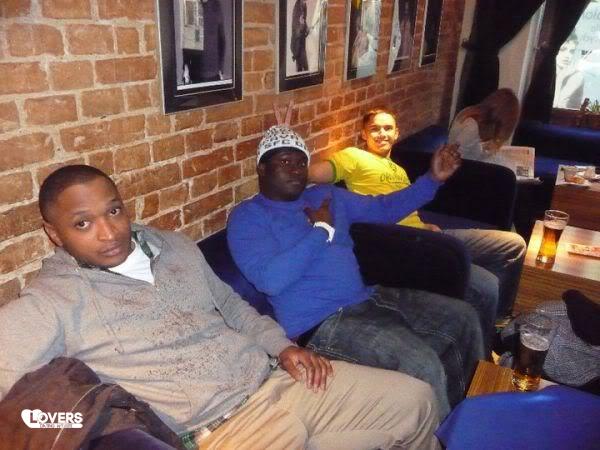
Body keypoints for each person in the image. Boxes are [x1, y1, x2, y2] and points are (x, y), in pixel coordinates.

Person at [0, 165, 443, 449]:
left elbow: (230, 303)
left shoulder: (173, 246)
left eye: (113, 211)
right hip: (223, 432)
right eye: (83, 223)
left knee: (417, 400)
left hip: (276, 381)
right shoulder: (54, 300)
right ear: (54, 233)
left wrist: (282, 346)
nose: (108, 232)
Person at [228, 125, 486, 418]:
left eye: (301, 162)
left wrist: (432, 179)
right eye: (285, 161)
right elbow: (271, 281)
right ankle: (447, 436)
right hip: (320, 325)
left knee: (464, 317)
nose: (296, 169)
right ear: (262, 168)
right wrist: (321, 230)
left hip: (369, 298)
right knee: (420, 362)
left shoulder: (326, 195)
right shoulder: (247, 217)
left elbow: (383, 208)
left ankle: (476, 419)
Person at [309, 108, 526, 347]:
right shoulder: (353, 156)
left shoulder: (398, 169)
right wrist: (290, 164)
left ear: (396, 133)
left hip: (425, 231)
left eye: (387, 128)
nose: (382, 134)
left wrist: (424, 224)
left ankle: (501, 324)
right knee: (487, 286)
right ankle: (488, 350)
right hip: (404, 241)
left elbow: (410, 204)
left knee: (513, 244)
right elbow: (315, 173)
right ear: (364, 135)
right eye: (374, 129)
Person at [554, 34, 584, 110]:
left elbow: (557, 105)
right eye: (563, 49)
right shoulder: (545, 71)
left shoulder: (576, 76)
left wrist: (560, 78)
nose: (567, 55)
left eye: (571, 51)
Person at [291, 0, 309, 72]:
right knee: (303, 67)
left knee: (303, 67)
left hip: (301, 42)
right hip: (298, 43)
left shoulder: (304, 5)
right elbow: (296, 29)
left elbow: (303, 20)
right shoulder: (297, 7)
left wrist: (306, 28)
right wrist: (302, 26)